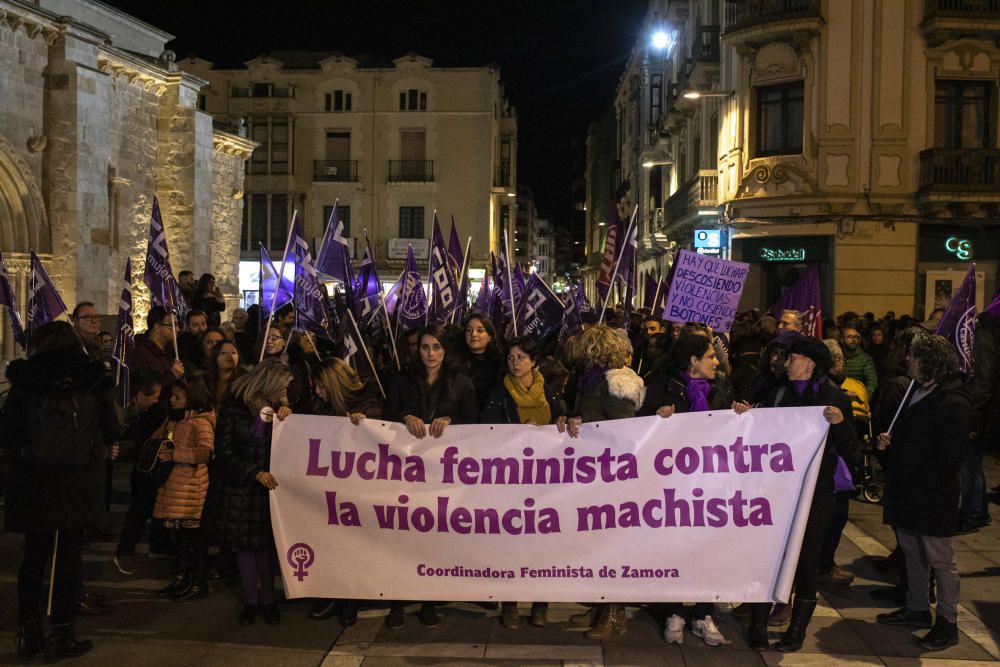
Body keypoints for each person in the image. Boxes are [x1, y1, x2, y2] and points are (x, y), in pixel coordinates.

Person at [0, 321, 119, 661]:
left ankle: (29, 630)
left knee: (34, 556)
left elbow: (7, 434)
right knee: (68, 556)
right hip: (77, 480)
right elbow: (111, 429)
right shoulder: (93, 378)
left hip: (33, 480)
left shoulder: (24, 381)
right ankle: (62, 631)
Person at [745, 335, 858, 652]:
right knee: (769, 556)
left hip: (815, 494)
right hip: (776, 492)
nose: (785, 362)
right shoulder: (778, 392)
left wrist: (840, 424)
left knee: (806, 559)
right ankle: (757, 624)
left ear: (808, 363)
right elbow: (760, 431)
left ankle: (796, 632)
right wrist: (745, 416)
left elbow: (852, 450)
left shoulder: (835, 398)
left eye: (791, 357)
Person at [640, 332, 749, 646]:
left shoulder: (718, 391)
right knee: (674, 547)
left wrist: (739, 415)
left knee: (706, 548)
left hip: (708, 487)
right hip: (671, 486)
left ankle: (702, 613)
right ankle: (674, 611)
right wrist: (656, 418)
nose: (716, 361)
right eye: (710, 356)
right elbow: (641, 433)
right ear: (693, 361)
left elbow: (728, 429)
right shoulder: (662, 387)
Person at [875, 335, 971, 651]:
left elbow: (950, 457)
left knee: (940, 560)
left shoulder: (953, 402)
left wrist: (918, 478)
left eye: (913, 357)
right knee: (912, 552)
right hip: (907, 490)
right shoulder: (915, 392)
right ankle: (916, 608)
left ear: (928, 362)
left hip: (932, 496)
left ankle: (947, 622)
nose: (907, 361)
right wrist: (888, 446)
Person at [383, 324, 478, 628]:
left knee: (433, 537)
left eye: (437, 347)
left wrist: (451, 420)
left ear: (446, 350)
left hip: (442, 473)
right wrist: (403, 417)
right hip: (406, 470)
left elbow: (474, 423)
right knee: (402, 537)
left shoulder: (462, 383)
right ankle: (397, 599)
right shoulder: (402, 379)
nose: (431, 353)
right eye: (425, 347)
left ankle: (428, 600)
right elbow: (386, 415)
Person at [562, 324, 646, 639]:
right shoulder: (590, 381)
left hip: (612, 476)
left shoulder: (617, 383)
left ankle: (614, 614)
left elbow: (623, 432)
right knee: (597, 544)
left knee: (614, 545)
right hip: (594, 473)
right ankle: (600, 606)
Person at [480, 337, 567, 630]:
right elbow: (487, 430)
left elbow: (562, 422)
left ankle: (540, 604)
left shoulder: (550, 393)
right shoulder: (498, 393)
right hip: (512, 479)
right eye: (511, 358)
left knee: (544, 542)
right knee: (513, 542)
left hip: (544, 479)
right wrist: (519, 432)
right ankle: (511, 604)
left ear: (534, 362)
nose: (515, 363)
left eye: (521, 358)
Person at [206, 358, 293, 626]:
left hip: (269, 488)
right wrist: (252, 472)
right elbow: (224, 449)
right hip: (241, 488)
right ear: (268, 382)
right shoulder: (235, 407)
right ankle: (251, 601)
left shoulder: (279, 409)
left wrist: (287, 419)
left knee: (265, 546)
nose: (284, 392)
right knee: (244, 546)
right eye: (282, 386)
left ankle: (268, 600)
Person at [305, 358, 383, 626]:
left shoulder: (367, 402)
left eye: (320, 387)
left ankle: (349, 600)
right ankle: (332, 595)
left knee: (352, 546)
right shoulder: (320, 405)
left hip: (359, 490)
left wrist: (365, 425)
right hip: (329, 488)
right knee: (330, 544)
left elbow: (378, 439)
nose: (316, 392)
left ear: (334, 385)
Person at [116, 307, 184, 573]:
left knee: (159, 489)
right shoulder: (143, 353)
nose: (176, 331)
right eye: (171, 325)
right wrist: (172, 376)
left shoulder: (166, 353)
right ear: (157, 327)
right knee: (143, 492)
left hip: (163, 428)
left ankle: (159, 543)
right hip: (147, 432)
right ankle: (126, 550)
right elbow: (149, 387)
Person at [151, 376, 216, 601]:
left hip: (190, 491)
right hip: (173, 487)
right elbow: (156, 439)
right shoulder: (174, 420)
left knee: (192, 538)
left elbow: (206, 452)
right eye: (172, 396)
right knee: (177, 537)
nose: (172, 400)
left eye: (178, 397)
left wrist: (175, 453)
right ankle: (180, 578)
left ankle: (197, 581)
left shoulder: (200, 422)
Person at [459, 313, 504, 411]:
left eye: (480, 330)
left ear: (490, 336)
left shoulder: (500, 364)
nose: (473, 334)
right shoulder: (454, 362)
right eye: (469, 330)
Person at [841, 326, 878, 399]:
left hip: (857, 398)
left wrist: (863, 397)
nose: (853, 340)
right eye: (849, 337)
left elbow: (872, 381)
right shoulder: (837, 357)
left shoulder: (865, 359)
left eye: (856, 337)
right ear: (842, 340)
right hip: (839, 397)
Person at [208, 339, 244, 410]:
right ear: (215, 357)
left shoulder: (243, 383)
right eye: (223, 353)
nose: (229, 356)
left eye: (233, 353)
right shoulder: (205, 381)